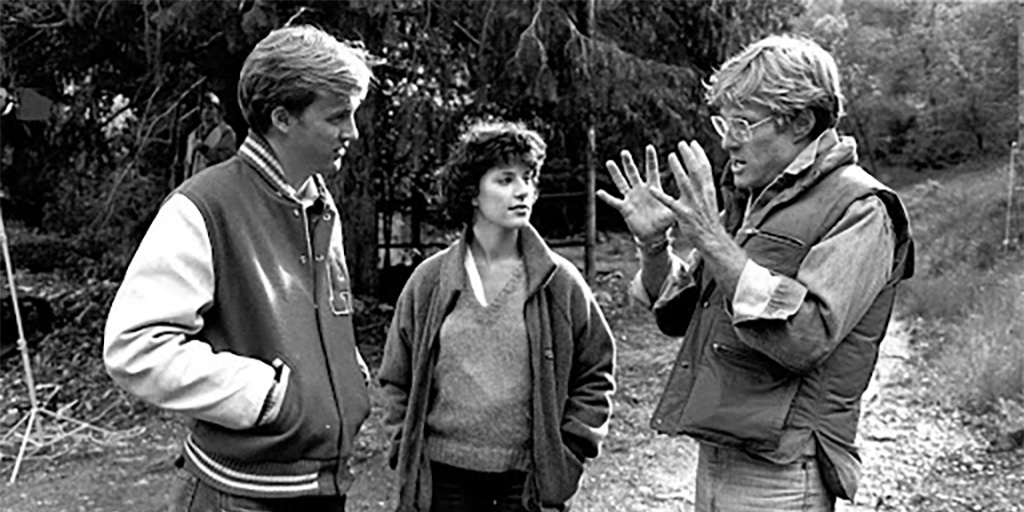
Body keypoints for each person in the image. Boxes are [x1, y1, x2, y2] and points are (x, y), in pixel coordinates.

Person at [597, 34, 914, 511]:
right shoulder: (754, 199)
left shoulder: (862, 208)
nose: (727, 140)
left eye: (743, 123)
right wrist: (653, 244)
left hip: (785, 473)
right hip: (720, 453)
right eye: (725, 121)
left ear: (802, 122)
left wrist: (709, 234)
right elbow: (678, 316)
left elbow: (804, 337)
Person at [104, 25, 374, 511]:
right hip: (242, 496)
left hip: (322, 486)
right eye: (338, 116)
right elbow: (134, 346)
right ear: (282, 118)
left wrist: (344, 378)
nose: (352, 132)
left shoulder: (318, 205)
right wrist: (265, 397)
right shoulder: (204, 207)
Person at [378, 120, 616, 512]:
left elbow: (596, 371)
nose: (523, 190)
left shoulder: (558, 282)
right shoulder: (431, 280)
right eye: (505, 179)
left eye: (529, 178)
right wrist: (404, 445)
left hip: (526, 479)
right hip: (442, 475)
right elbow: (395, 375)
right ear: (473, 192)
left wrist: (570, 451)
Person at [184, 91, 237, 180]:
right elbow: (187, 165)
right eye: (203, 108)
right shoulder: (193, 136)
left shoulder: (226, 133)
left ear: (219, 111)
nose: (206, 112)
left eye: (210, 108)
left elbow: (227, 160)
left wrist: (206, 150)